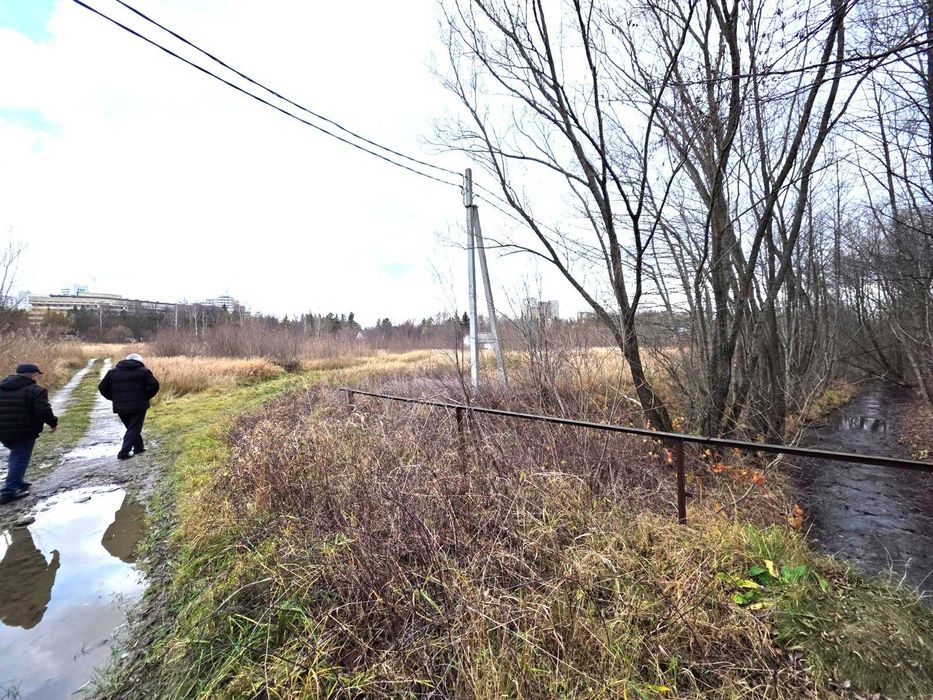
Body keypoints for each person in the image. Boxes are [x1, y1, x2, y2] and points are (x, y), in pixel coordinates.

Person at [0, 363, 58, 504]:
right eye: (37, 374)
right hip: (24, 430)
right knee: (19, 458)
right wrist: (53, 423)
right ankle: (8, 491)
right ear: (33, 374)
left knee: (16, 455)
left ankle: (17, 481)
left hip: (2, 430)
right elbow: (43, 410)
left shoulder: (1, 386)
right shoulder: (36, 390)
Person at [98, 353, 159, 460]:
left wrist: (113, 398)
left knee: (132, 427)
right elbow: (155, 385)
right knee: (134, 428)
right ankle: (124, 452)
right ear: (139, 361)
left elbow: (102, 388)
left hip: (120, 406)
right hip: (139, 405)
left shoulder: (112, 373)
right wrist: (146, 396)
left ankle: (138, 447)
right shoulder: (144, 371)